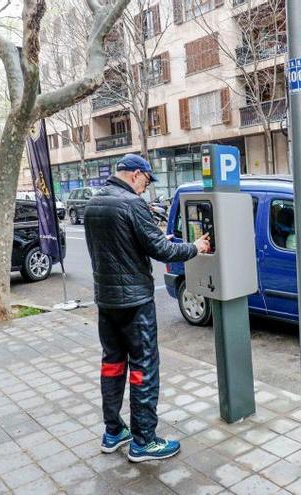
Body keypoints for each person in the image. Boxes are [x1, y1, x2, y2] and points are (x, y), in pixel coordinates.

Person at [84, 153, 211, 463]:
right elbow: (161, 250)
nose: (146, 187)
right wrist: (197, 247)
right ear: (136, 174)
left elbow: (120, 245)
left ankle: (113, 431)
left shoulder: (94, 203)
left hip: (107, 300)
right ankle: (144, 440)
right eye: (146, 181)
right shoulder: (131, 203)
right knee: (144, 368)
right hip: (135, 303)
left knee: (112, 364)